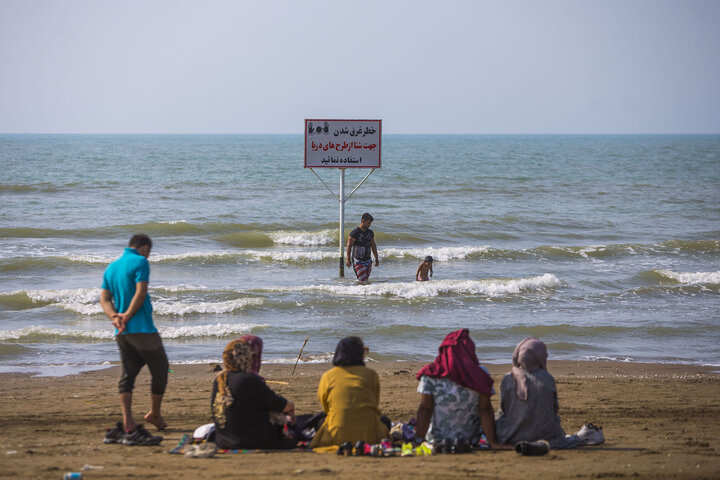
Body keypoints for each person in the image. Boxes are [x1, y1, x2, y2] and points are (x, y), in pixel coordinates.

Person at [100, 234, 167, 446]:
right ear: (145, 248)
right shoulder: (140, 261)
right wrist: (128, 315)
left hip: (122, 332)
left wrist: (115, 317)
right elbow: (141, 292)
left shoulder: (112, 267)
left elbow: (104, 299)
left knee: (127, 376)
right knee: (161, 370)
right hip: (143, 329)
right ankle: (154, 413)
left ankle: (128, 424)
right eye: (149, 251)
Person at [495, 337, 604, 448]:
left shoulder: (508, 378)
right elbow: (554, 409)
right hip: (547, 436)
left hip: (511, 436)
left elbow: (503, 409)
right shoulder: (547, 378)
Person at [415, 329, 507, 449]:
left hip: (436, 439)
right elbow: (485, 410)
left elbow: (425, 409)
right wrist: (493, 442)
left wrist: (418, 440)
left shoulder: (431, 374)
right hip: (470, 440)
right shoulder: (480, 374)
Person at [211, 336, 298, 450]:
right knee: (295, 434)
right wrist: (290, 408)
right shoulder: (249, 379)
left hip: (223, 441)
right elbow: (280, 405)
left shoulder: (220, 379)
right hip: (252, 442)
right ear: (248, 357)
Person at [310, 337, 390, 447]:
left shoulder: (328, 376)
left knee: (320, 421)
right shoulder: (371, 374)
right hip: (370, 436)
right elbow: (374, 404)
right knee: (385, 421)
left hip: (336, 435)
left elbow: (326, 407)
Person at [346, 213, 379, 282]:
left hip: (368, 260)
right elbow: (349, 246)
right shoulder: (355, 233)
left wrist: (376, 258)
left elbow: (373, 245)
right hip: (358, 260)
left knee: (365, 281)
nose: (369, 225)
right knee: (362, 280)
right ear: (363, 221)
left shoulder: (370, 232)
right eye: (368, 223)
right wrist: (348, 259)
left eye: (370, 223)